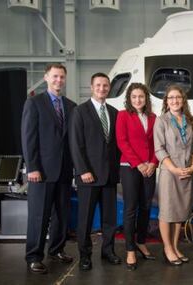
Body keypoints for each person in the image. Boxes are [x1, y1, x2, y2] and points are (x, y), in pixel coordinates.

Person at [21, 63, 76, 274]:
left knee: (62, 214)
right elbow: (28, 138)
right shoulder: (34, 103)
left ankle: (56, 249)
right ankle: (34, 256)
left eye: (62, 77)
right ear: (46, 77)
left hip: (63, 171)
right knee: (39, 215)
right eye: (55, 76)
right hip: (41, 172)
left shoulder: (71, 106)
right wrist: (32, 167)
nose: (58, 80)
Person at [69, 72, 121, 271]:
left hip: (109, 175)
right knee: (85, 219)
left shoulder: (114, 112)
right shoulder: (80, 111)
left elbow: (115, 146)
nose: (102, 89)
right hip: (88, 176)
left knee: (109, 219)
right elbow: (75, 144)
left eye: (105, 85)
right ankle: (85, 255)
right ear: (91, 87)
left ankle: (108, 251)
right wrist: (83, 170)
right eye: (98, 85)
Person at [153, 85, 193, 266]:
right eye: (171, 98)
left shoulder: (190, 120)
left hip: (186, 172)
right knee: (167, 212)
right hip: (169, 173)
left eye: (178, 97)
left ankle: (174, 246)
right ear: (166, 101)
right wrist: (174, 169)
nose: (174, 101)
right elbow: (159, 149)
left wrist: (192, 166)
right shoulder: (162, 121)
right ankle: (167, 248)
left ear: (183, 100)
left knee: (180, 211)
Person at [116, 83, 158, 270]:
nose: (138, 100)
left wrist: (152, 163)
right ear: (129, 99)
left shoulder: (153, 117)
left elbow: (157, 143)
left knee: (146, 206)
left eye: (141, 96)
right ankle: (130, 249)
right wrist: (139, 164)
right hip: (130, 167)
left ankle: (141, 241)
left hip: (149, 167)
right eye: (134, 97)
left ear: (146, 98)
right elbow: (122, 142)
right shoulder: (123, 115)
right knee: (131, 207)